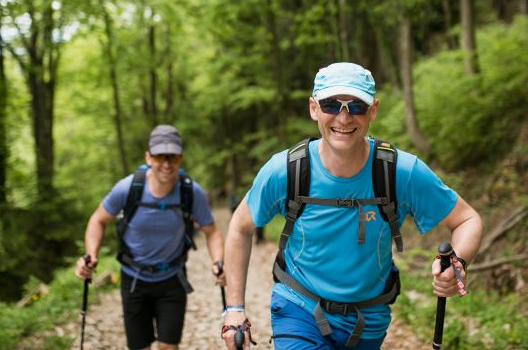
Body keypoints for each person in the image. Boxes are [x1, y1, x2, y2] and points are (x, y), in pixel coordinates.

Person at [221, 62, 483, 349]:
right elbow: (240, 227)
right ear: (313, 108)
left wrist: (457, 261)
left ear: (373, 109)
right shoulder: (285, 170)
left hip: (368, 319)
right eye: (331, 104)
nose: (343, 118)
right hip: (299, 308)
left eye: (356, 105)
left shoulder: (400, 172)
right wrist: (234, 309)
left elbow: (467, 220)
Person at [76, 124, 225, 350]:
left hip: (172, 279)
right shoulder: (127, 189)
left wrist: (218, 262)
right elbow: (97, 220)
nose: (166, 164)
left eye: (172, 157)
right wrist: (91, 255)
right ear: (148, 157)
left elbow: (212, 231)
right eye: (159, 156)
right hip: (134, 279)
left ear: (180, 158)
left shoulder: (191, 192)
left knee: (168, 347)